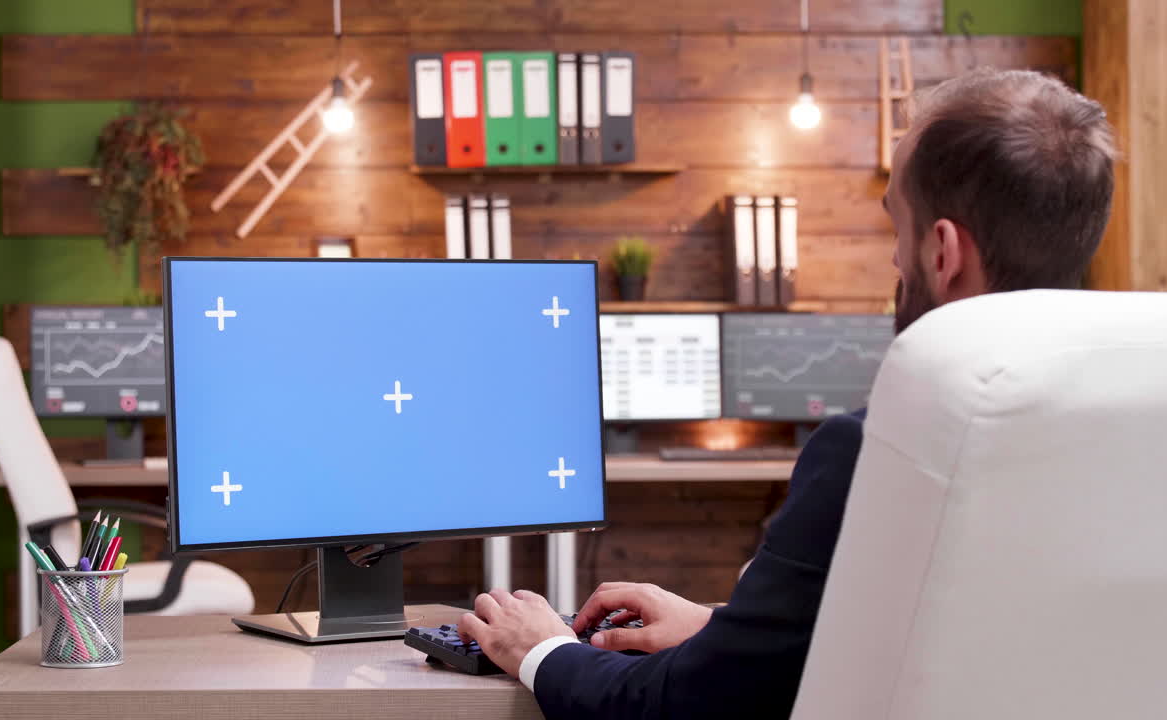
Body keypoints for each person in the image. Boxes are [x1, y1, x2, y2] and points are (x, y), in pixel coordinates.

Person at [458, 68, 1118, 719]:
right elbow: (959, 637)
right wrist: (726, 627)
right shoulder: (1132, 436)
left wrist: (542, 650)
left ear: (942, 253)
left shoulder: (879, 452)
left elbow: (682, 709)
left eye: (898, 228)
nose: (895, 260)